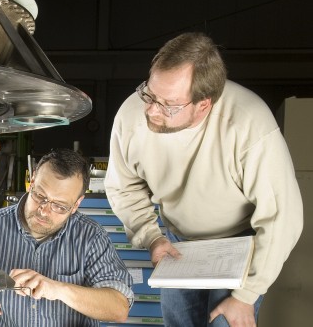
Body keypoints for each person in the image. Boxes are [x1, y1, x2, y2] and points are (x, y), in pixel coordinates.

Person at [104, 32, 303, 327]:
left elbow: (283, 218)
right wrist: (152, 237)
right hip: (177, 244)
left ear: (203, 105)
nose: (151, 110)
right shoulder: (132, 116)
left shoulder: (249, 124)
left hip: (239, 245)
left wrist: (246, 295)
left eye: (168, 104)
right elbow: (123, 186)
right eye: (149, 94)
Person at [0, 148, 134, 326]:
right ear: (33, 180)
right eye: (39, 196)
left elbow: (119, 309)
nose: (44, 211)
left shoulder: (90, 237)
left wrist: (58, 289)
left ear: (76, 204)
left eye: (59, 206)